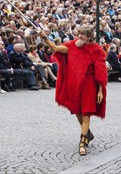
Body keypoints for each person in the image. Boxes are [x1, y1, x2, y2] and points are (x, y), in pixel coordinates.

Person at [39, 24, 108, 156]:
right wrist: (44, 38)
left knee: (86, 113)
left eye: (82, 35)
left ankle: (82, 143)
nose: (79, 37)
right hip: (74, 84)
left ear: (89, 37)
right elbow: (54, 48)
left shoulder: (97, 50)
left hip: (89, 85)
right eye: (79, 34)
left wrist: (100, 90)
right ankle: (87, 133)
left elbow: (101, 72)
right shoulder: (71, 46)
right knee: (77, 111)